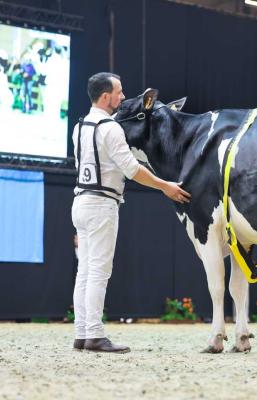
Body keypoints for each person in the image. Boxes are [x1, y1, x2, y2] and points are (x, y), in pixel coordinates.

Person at [72, 72, 190, 353]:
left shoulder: (80, 126)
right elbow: (132, 169)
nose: (123, 97)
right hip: (102, 203)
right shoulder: (110, 129)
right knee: (99, 272)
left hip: (81, 201)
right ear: (105, 96)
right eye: (119, 92)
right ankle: (95, 335)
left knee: (85, 272)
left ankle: (82, 332)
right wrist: (165, 186)